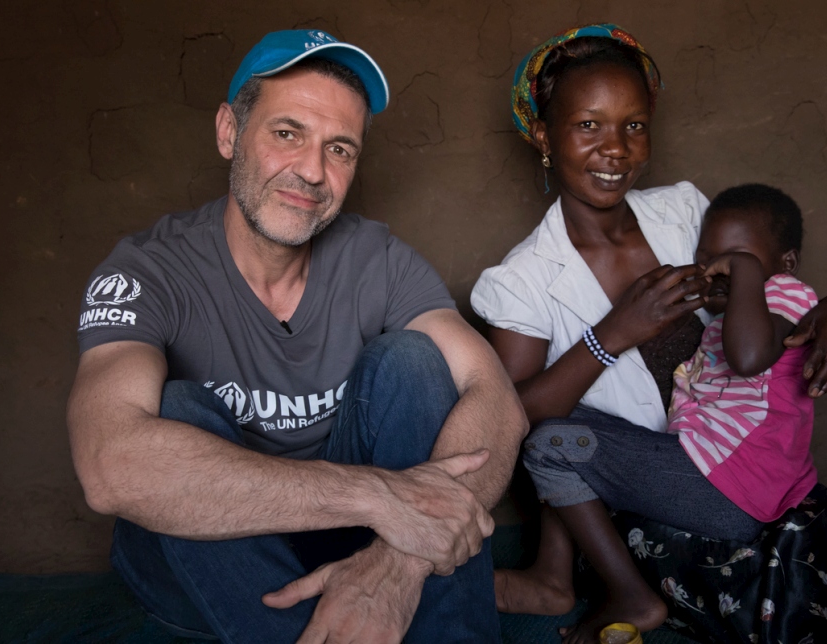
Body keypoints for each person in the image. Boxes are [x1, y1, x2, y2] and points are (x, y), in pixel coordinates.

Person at [67, 29, 527, 644]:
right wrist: (379, 499)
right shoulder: (146, 271)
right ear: (230, 132)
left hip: (354, 545)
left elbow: (495, 396)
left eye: (340, 148)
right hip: (204, 564)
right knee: (173, 412)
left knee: (414, 361)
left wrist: (398, 561)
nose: (312, 170)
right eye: (287, 134)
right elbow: (109, 463)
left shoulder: (377, 258)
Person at [470, 24, 827, 643]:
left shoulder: (682, 211)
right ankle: (561, 578)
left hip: (721, 464)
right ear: (544, 136)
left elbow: (774, 289)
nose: (616, 149)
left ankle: (557, 577)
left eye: (634, 125)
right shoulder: (520, 280)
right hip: (634, 481)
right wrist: (614, 332)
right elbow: (513, 415)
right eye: (588, 125)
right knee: (554, 430)